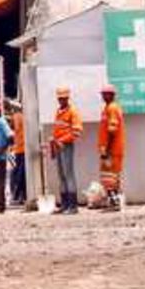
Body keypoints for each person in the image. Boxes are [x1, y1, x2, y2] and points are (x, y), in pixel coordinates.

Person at [50, 85, 83, 214]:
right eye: (60, 98)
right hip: (58, 146)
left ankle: (73, 206)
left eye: (63, 98)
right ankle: (64, 204)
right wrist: (54, 139)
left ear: (68, 98)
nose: (61, 100)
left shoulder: (72, 112)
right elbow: (58, 129)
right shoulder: (59, 112)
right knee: (61, 175)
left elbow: (77, 131)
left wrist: (62, 140)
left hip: (66, 146)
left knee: (69, 175)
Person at [98, 83, 126, 211]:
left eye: (106, 94)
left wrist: (106, 149)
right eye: (103, 94)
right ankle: (114, 202)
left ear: (112, 95)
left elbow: (112, 130)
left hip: (112, 149)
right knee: (111, 177)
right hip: (111, 149)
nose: (104, 96)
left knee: (110, 177)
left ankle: (114, 203)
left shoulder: (112, 108)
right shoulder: (108, 108)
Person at [9, 99, 27, 206]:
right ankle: (21, 196)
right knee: (21, 174)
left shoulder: (16, 116)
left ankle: (17, 196)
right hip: (22, 148)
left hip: (19, 149)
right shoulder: (24, 116)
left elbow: (13, 129)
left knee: (17, 175)